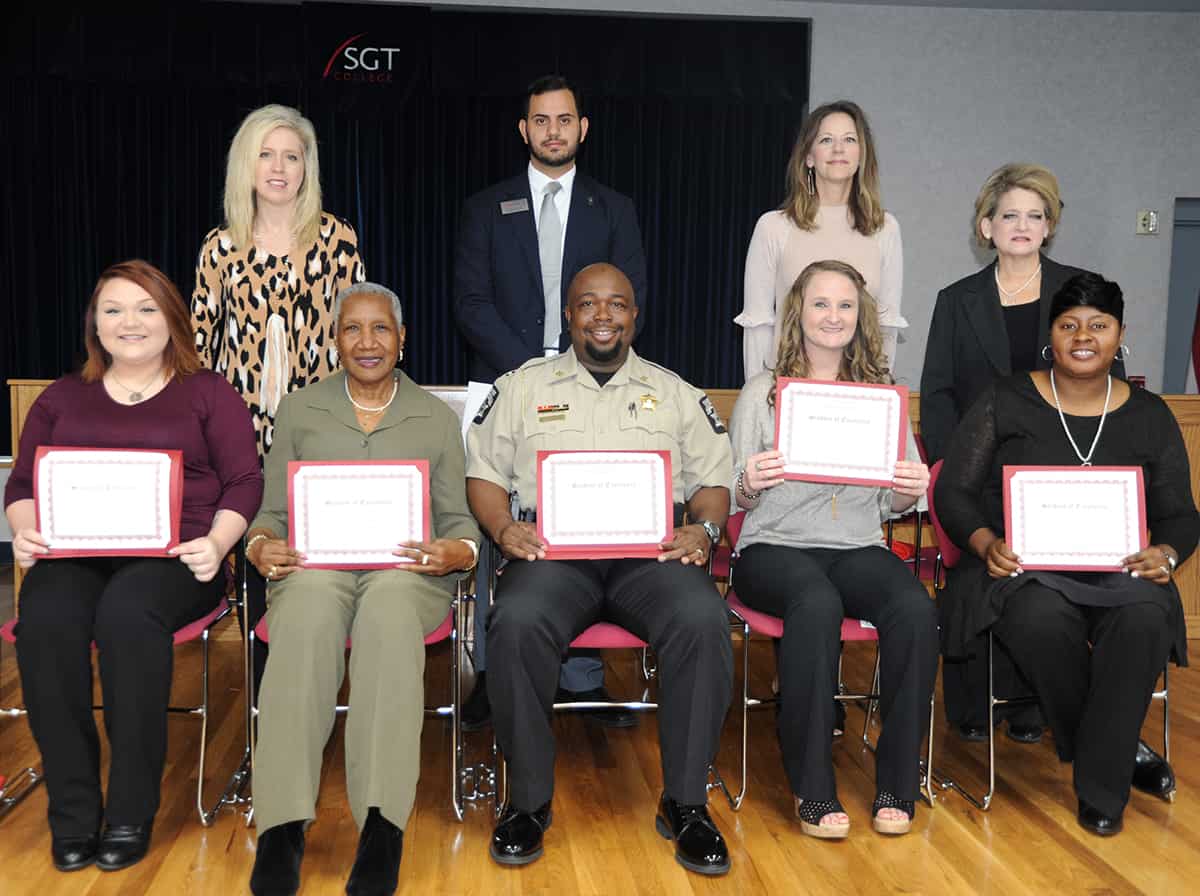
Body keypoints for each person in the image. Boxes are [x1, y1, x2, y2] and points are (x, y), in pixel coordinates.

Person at [466, 263, 734, 875]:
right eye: (588, 303)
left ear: (635, 316)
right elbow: (482, 473)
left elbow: (713, 480)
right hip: (554, 555)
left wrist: (706, 528)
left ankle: (687, 803)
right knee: (517, 621)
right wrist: (503, 528)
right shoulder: (522, 387)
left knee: (701, 618)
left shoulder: (675, 392)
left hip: (651, 558)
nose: (603, 315)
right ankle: (527, 802)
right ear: (569, 314)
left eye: (617, 304)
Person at [5, 260, 262, 873]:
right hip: (74, 553)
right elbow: (20, 484)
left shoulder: (208, 392)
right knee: (43, 618)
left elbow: (245, 480)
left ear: (172, 319)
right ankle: (71, 812)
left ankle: (129, 810)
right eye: (114, 309)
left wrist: (219, 543)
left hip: (178, 557)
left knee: (126, 614)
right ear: (95, 323)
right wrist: (24, 532)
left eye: (146, 308)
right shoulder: (62, 397)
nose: (130, 322)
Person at [937, 272, 1197, 836]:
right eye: (1069, 324)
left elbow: (1181, 512)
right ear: (1050, 337)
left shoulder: (1150, 414)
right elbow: (953, 491)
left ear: (1119, 335)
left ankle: (1103, 783)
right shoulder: (1005, 400)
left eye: (1098, 325)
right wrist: (986, 544)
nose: (1084, 336)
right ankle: (1115, 760)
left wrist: (1169, 554)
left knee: (1146, 617)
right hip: (1022, 568)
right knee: (1039, 618)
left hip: (1121, 569)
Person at [246, 283, 479, 896]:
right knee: (304, 621)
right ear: (335, 340)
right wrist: (259, 545)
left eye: (381, 329)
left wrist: (460, 550)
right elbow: (270, 514)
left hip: (405, 572)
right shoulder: (298, 410)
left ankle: (382, 825)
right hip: (315, 566)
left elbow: (458, 522)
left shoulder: (434, 417)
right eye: (353, 329)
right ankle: (282, 826)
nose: (367, 342)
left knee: (388, 618)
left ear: (402, 341)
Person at [454, 75, 649, 729]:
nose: (554, 131)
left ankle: (583, 678)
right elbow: (470, 302)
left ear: (582, 128)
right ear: (524, 130)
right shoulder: (487, 206)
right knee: (494, 528)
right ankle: (491, 673)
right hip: (505, 385)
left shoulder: (614, 208)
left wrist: (568, 372)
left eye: (565, 120)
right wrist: (532, 373)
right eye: (541, 120)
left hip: (592, 389)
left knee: (582, 528)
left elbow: (628, 298)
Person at [730, 260, 936, 838]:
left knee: (916, 609)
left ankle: (897, 781)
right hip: (773, 547)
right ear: (799, 312)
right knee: (815, 602)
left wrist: (908, 491)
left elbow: (895, 506)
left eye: (845, 305)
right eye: (821, 304)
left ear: (860, 317)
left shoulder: (881, 398)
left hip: (856, 546)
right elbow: (732, 498)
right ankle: (813, 788)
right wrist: (750, 479)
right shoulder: (762, 393)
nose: (833, 316)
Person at [921, 163, 1126, 743]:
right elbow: (936, 392)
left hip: (1059, 475)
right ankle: (977, 706)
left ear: (1049, 227)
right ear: (986, 226)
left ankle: (1036, 704)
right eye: (1009, 215)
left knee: (1045, 582)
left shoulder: (1078, 289)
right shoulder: (957, 300)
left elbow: (1107, 379)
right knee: (984, 574)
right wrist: (951, 469)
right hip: (975, 476)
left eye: (1035, 216)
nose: (1022, 225)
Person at [191, 102, 366, 694]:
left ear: (306, 168)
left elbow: (360, 335)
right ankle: (271, 694)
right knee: (259, 550)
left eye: (292, 156)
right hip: (239, 433)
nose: (279, 166)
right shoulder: (219, 249)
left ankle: (322, 671)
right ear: (246, 164)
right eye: (266, 154)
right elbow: (195, 348)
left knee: (317, 547)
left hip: (319, 424)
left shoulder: (337, 238)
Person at [736, 100, 904, 382]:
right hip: (787, 392)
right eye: (827, 140)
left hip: (860, 395)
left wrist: (879, 389)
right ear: (809, 157)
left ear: (862, 154)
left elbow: (885, 326)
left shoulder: (885, 229)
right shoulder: (773, 227)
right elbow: (758, 326)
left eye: (849, 139)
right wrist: (762, 395)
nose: (839, 149)